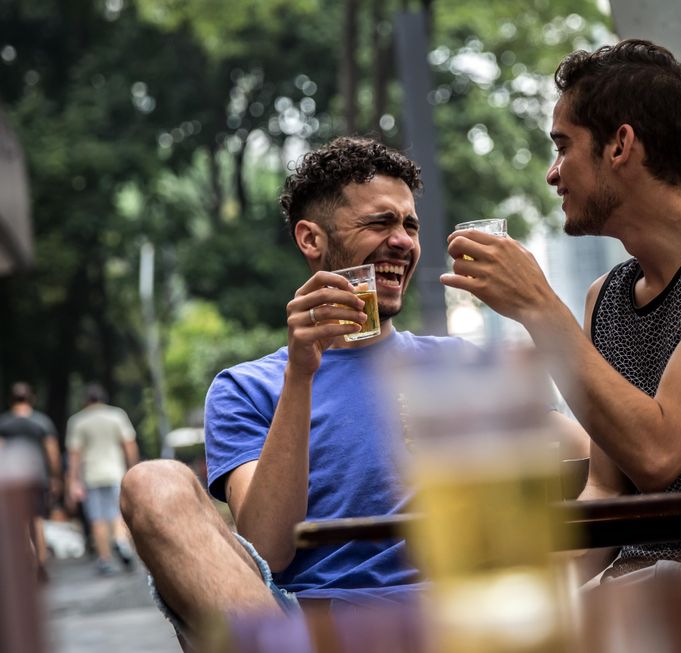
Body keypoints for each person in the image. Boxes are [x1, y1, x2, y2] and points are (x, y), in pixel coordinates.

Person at [442, 39, 681, 582]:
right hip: (648, 595)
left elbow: (657, 454)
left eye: (563, 146)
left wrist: (536, 305)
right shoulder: (607, 296)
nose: (553, 174)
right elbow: (608, 487)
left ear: (620, 145)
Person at [119, 137, 481, 645]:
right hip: (301, 627)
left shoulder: (457, 362)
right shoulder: (248, 388)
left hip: (452, 615)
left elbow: (581, 465)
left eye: (410, 224)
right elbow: (267, 545)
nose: (403, 240)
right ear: (311, 240)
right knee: (151, 482)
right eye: (380, 223)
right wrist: (301, 375)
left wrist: (532, 310)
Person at [66, 383, 139, 574]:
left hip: (91, 476)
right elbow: (129, 444)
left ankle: (105, 558)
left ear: (85, 401)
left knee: (97, 519)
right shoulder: (117, 415)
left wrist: (73, 480)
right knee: (117, 514)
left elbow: (74, 454)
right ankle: (122, 542)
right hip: (116, 472)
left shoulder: (78, 421)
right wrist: (133, 467)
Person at [0, 382, 62, 578]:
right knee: (37, 520)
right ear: (31, 398)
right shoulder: (41, 422)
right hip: (38, 477)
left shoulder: (4, 423)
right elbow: (52, 451)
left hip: (12, 479)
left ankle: (28, 558)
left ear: (11, 400)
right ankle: (40, 562)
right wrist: (55, 476)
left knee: (19, 521)